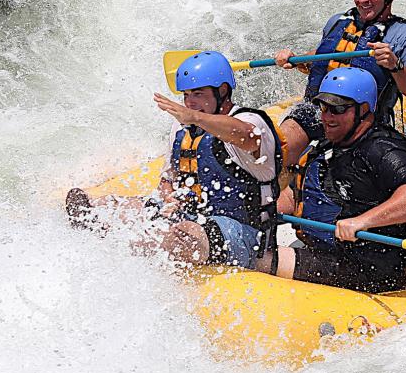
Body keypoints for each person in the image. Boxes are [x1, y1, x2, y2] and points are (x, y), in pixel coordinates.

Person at [66, 51, 281, 269]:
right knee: (112, 208)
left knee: (183, 235)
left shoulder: (250, 120)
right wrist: (169, 199)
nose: (189, 102)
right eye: (186, 95)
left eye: (197, 94)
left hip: (242, 232)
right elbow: (168, 179)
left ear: (222, 91)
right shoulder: (182, 126)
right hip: (189, 217)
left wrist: (195, 117)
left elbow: (247, 136)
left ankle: (137, 251)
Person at [253, 68, 406, 293]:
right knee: (249, 245)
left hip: (370, 269)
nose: (327, 117)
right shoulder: (328, 147)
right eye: (323, 108)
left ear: (363, 110)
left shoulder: (383, 148)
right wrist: (258, 210)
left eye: (337, 109)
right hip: (330, 254)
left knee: (259, 259)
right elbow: (295, 197)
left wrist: (361, 222)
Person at [273, 0, 406, 168]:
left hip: (362, 125)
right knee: (274, 156)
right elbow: (325, 59)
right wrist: (296, 59)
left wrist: (395, 65)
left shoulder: (405, 35)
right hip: (317, 110)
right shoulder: (337, 22)